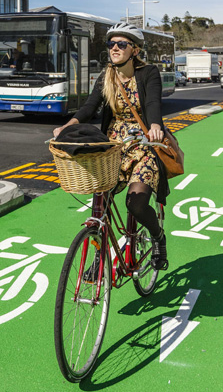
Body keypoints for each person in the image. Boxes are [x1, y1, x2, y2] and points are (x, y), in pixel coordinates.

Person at [53, 22, 168, 271]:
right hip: (113, 146)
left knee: (135, 204)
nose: (114, 48)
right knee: (99, 201)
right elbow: (89, 107)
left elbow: (153, 105)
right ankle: (99, 253)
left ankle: (158, 238)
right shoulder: (107, 76)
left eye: (121, 44)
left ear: (135, 50)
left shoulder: (149, 73)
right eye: (111, 44)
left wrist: (156, 125)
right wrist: (67, 126)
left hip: (143, 143)